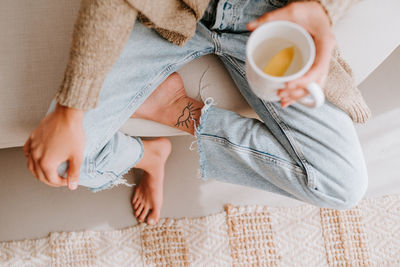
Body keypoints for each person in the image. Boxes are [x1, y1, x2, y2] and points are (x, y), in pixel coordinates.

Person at [23, 0, 370, 225]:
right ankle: (148, 155)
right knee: (64, 164)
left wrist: (323, 12)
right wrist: (72, 109)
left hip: (272, 17)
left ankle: (179, 111)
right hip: (171, 14)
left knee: (343, 185)